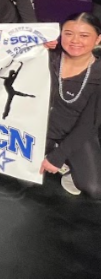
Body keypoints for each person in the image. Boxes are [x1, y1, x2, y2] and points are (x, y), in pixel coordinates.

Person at [41, 13, 101, 198]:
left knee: (94, 188)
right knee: (19, 174)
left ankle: (65, 158)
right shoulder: (47, 58)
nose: (75, 41)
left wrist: (58, 157)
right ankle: (51, 149)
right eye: (68, 34)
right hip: (40, 128)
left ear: (98, 39)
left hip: (76, 133)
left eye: (84, 36)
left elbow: (89, 125)